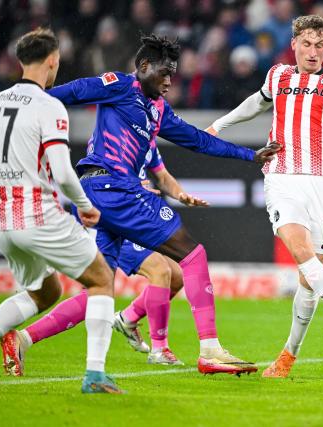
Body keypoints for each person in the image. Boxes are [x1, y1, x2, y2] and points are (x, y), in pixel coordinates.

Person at [44, 34, 280, 374]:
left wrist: (250, 155)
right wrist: (28, 98)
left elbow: (197, 140)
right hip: (114, 187)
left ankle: (22, 339)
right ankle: (210, 349)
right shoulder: (120, 86)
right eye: (164, 72)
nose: (170, 81)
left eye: (173, 74)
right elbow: (78, 90)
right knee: (192, 254)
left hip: (102, 194)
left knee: (100, 284)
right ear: (143, 67)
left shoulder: (157, 111)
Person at [205, 15, 323, 378]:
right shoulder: (278, 76)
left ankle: (288, 355)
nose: (313, 51)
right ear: (294, 45)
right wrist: (219, 126)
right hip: (281, 176)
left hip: (322, 183)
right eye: (306, 44)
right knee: (300, 250)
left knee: (310, 278)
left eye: (319, 45)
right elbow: (254, 105)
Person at [0, 28, 123, 394]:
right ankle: (95, 375)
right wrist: (85, 207)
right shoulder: (48, 105)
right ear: (53, 61)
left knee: (46, 292)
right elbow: (63, 170)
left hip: (1, 218)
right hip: (36, 214)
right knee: (101, 279)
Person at [0, 144, 203, 373]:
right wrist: (132, 186)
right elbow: (98, 171)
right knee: (154, 273)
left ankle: (127, 318)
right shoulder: (116, 129)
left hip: (130, 212)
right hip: (112, 212)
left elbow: (162, 175)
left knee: (175, 276)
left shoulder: (148, 138)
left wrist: (176, 193)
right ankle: (159, 350)